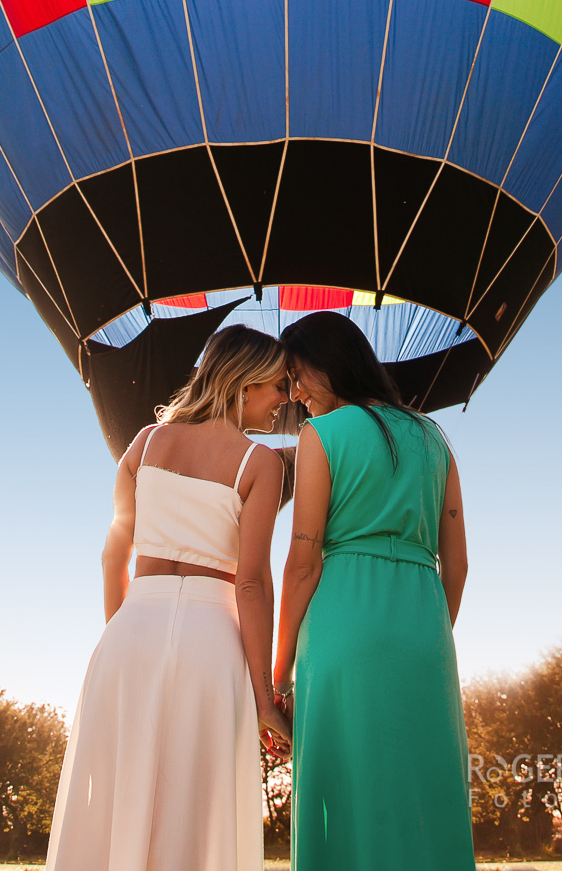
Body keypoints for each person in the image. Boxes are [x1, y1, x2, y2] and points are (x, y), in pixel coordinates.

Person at [46, 325, 293, 871]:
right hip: (212, 638)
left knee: (119, 791)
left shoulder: (144, 443)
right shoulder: (261, 464)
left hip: (131, 630)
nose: (284, 400)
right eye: (277, 386)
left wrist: (123, 634)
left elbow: (114, 557)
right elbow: (251, 583)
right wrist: (266, 699)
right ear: (244, 383)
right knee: (196, 802)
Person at [273, 311, 472, 869]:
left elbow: (303, 561)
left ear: (329, 363)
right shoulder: (436, 439)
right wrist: (432, 631)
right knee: (425, 784)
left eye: (296, 375)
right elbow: (456, 564)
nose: (293, 394)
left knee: (340, 781)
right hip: (423, 627)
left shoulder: (320, 436)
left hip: (341, 624)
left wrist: (281, 665)